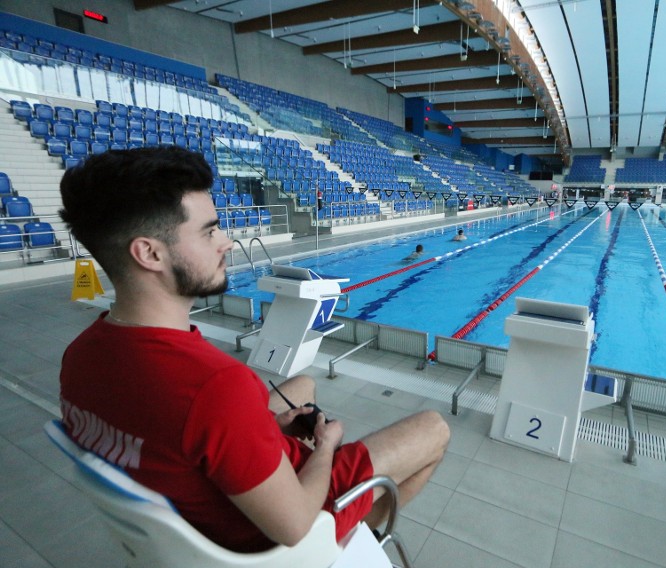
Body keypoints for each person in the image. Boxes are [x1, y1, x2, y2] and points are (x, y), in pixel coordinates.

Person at [57, 147, 449, 553]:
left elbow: (174, 437)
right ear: (150, 253)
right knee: (433, 428)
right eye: (209, 232)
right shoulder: (216, 385)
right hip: (278, 537)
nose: (226, 242)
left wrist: (265, 430)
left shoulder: (80, 355)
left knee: (300, 385)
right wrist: (328, 444)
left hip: (199, 513)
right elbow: (294, 525)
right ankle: (349, 542)